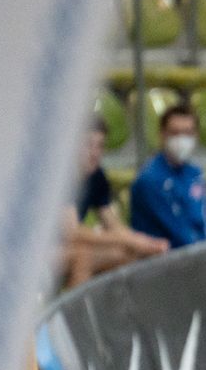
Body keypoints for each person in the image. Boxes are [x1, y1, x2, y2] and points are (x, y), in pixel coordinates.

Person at [61, 118, 165, 289]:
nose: (94, 153)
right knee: (83, 256)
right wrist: (131, 240)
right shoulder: (62, 178)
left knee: (127, 253)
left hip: (70, 246)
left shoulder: (97, 176)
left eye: (99, 146)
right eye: (88, 145)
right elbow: (73, 233)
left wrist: (142, 242)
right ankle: (73, 316)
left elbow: (113, 224)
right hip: (43, 251)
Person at [128, 104, 206, 249]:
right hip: (162, 261)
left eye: (188, 133)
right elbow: (179, 233)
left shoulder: (195, 173)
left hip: (197, 256)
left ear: (196, 136)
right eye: (175, 133)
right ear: (162, 134)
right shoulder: (150, 179)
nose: (182, 140)